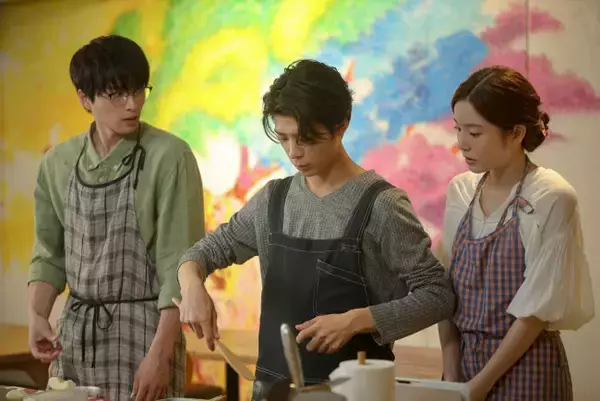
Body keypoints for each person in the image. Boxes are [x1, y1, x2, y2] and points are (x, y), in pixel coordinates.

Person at [174, 59, 455, 401]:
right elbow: (202, 253)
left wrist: (357, 320)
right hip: (273, 393)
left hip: (353, 393)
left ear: (341, 125)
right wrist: (192, 285)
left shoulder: (382, 205)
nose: (294, 152)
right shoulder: (272, 200)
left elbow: (438, 296)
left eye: (306, 139)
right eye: (284, 138)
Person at [27, 35, 205, 401]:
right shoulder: (57, 163)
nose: (132, 104)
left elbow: (179, 267)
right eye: (117, 94)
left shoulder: (170, 156)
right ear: (84, 98)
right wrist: (37, 315)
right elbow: (49, 255)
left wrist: (159, 357)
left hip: (146, 335)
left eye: (139, 90)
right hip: (76, 337)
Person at [436, 66, 595, 400]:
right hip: (463, 367)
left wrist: (478, 386)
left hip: (526, 369)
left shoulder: (551, 196)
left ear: (516, 133)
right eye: (458, 129)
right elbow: (445, 291)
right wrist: (451, 375)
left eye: (475, 132)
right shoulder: (461, 191)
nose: (462, 143)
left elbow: (534, 313)